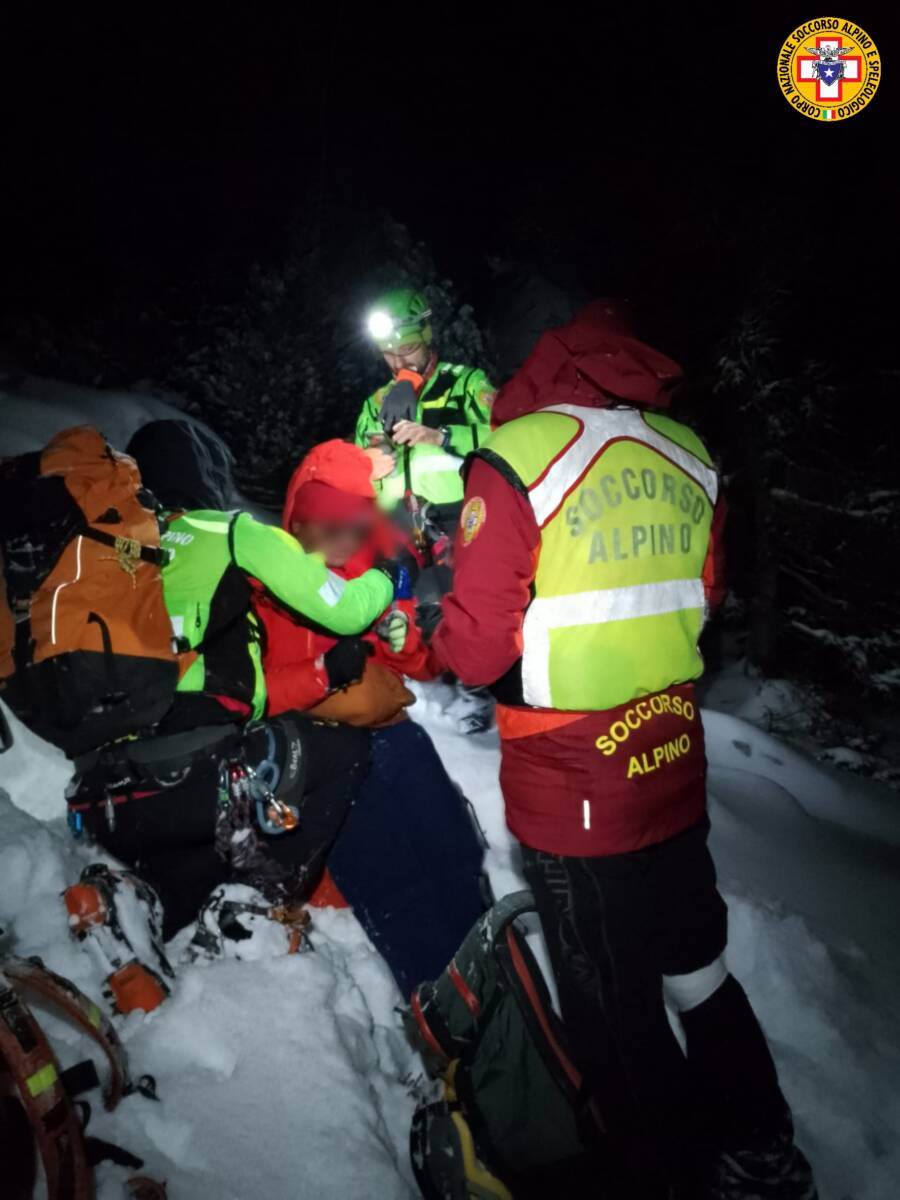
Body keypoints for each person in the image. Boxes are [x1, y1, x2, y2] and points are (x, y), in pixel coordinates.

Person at [430, 303, 817, 1199]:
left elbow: (479, 651)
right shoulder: (689, 452)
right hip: (670, 760)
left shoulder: (518, 455)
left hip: (572, 786)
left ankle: (662, 1180)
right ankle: (762, 1145)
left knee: (611, 1010)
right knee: (697, 967)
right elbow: (702, 600)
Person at [63, 421, 395, 1009]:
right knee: (345, 751)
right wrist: (385, 577)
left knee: (210, 848)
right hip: (184, 783)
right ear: (208, 482)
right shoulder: (225, 531)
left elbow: (236, 692)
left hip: (101, 801)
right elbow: (344, 611)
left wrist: (324, 674)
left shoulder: (105, 551)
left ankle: (132, 904)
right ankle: (256, 903)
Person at [253, 438, 487, 995]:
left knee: (457, 853)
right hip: (323, 754)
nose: (338, 537)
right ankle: (451, 1017)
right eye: (323, 522)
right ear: (298, 514)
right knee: (397, 890)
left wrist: (402, 643)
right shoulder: (261, 581)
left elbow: (422, 667)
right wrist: (322, 673)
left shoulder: (369, 563)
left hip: (391, 732)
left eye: (352, 523)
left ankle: (503, 984)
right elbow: (251, 694)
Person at [356, 286, 496, 733]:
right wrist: (368, 464)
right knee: (394, 605)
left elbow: (509, 439)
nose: (400, 363)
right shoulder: (376, 403)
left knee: (459, 603)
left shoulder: (467, 383)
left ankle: (475, 696)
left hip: (457, 513)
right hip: (396, 517)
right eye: (389, 354)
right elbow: (353, 465)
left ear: (429, 336)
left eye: (409, 349)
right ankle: (407, 689)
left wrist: (443, 436)